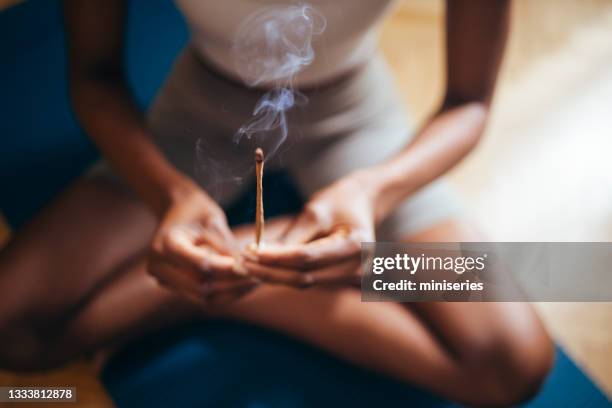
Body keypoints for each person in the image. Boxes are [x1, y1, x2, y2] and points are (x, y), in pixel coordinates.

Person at [0, 0, 553, 405]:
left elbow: (470, 103)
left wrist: (371, 190)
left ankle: (230, 277)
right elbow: (94, 77)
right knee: (12, 330)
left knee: (513, 361)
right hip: (198, 114)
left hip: (358, 125)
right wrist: (169, 192)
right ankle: (248, 272)